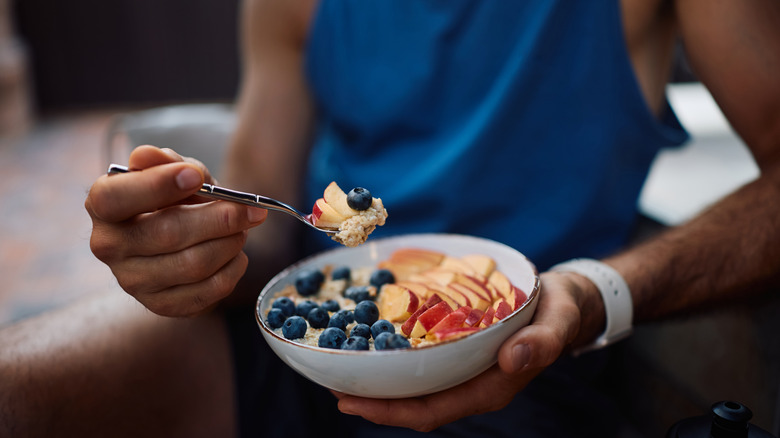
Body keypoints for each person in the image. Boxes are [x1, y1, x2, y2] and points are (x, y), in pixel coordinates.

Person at [2, 0, 779, 436]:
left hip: (518, 376)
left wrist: (594, 293)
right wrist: (195, 245)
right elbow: (268, 220)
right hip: (301, 345)